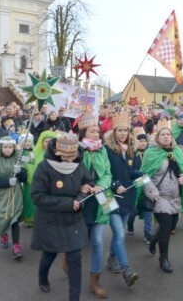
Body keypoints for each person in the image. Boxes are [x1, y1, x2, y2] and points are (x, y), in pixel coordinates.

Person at [31, 131, 99, 301]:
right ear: (57, 152)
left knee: (75, 258)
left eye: (73, 155)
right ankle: (42, 277)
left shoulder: (79, 164)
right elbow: (37, 196)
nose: (70, 159)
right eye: (66, 156)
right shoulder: (44, 167)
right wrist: (68, 203)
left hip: (72, 220)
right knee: (49, 254)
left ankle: (74, 297)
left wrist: (82, 195)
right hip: (50, 220)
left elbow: (88, 183)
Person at [141, 119, 183, 273]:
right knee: (166, 226)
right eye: (162, 134)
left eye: (168, 134)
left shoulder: (177, 152)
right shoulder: (151, 153)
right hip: (159, 196)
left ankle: (154, 239)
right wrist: (152, 192)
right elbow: (142, 176)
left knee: (172, 225)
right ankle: (164, 258)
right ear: (157, 137)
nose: (165, 137)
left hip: (175, 196)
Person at [78, 112, 112, 299]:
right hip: (82, 197)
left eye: (98, 131)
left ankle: (94, 282)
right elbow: (71, 173)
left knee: (98, 242)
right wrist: (81, 186)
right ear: (83, 133)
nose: (96, 134)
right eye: (92, 131)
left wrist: (102, 185)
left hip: (103, 196)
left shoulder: (102, 149)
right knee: (77, 240)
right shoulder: (75, 149)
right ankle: (67, 258)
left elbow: (108, 172)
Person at [103, 111, 139, 286]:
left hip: (127, 196)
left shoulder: (131, 149)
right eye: (120, 130)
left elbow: (133, 172)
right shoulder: (106, 150)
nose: (123, 133)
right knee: (119, 233)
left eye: (125, 130)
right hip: (107, 196)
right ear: (114, 132)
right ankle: (126, 270)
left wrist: (142, 175)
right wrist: (115, 184)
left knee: (119, 233)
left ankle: (111, 258)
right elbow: (102, 174)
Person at [0, 136, 27, 260]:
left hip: (15, 193)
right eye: (5, 147)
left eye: (10, 147)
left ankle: (16, 246)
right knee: (2, 217)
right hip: (1, 194)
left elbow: (24, 177)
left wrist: (20, 172)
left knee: (14, 219)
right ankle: (3, 235)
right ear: (1, 148)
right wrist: (7, 182)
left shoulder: (17, 159)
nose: (8, 150)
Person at [127, 127, 153, 243]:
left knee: (148, 209)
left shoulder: (150, 154)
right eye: (140, 141)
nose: (143, 143)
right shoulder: (133, 155)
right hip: (137, 186)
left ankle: (148, 233)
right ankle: (130, 223)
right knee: (134, 210)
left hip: (148, 185)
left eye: (144, 141)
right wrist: (142, 174)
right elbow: (132, 170)